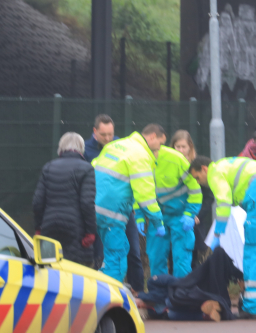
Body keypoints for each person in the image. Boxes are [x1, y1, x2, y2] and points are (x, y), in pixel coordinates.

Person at [189, 155, 256, 319]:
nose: (199, 182)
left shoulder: (215, 172)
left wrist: (218, 233)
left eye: (198, 177)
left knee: (253, 252)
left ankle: (253, 308)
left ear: (204, 169)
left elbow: (223, 201)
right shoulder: (227, 164)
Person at [92, 124, 166, 282]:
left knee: (119, 249)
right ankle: (107, 299)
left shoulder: (117, 145)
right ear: (152, 137)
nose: (159, 149)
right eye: (160, 144)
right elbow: (145, 195)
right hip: (112, 212)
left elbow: (95, 167)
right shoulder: (140, 155)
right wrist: (157, 221)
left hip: (96, 206)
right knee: (117, 261)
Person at [84, 114, 145, 294]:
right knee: (102, 254)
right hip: (101, 212)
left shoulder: (120, 146)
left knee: (133, 252)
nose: (108, 139)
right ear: (95, 132)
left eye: (111, 134)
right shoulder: (87, 151)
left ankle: (138, 292)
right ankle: (104, 292)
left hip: (124, 211)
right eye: (104, 135)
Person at [32, 132, 97, 268]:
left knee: (49, 270)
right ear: (81, 148)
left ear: (61, 147)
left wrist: (39, 227)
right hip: (76, 229)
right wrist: (90, 232)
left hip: (49, 227)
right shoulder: (86, 169)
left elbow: (37, 202)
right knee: (77, 273)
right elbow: (87, 203)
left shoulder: (48, 167)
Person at [149, 140, 202, 278]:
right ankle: (159, 294)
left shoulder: (176, 160)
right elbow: (139, 190)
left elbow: (195, 190)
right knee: (156, 256)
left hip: (180, 214)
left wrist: (190, 213)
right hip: (158, 215)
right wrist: (140, 216)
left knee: (182, 258)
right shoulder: (141, 161)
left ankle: (181, 294)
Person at [170, 130, 212, 262]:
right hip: (173, 216)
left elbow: (209, 197)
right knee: (173, 252)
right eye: (178, 147)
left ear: (190, 148)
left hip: (193, 218)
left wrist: (197, 215)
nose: (181, 150)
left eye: (184, 147)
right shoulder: (167, 166)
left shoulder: (197, 166)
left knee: (191, 253)